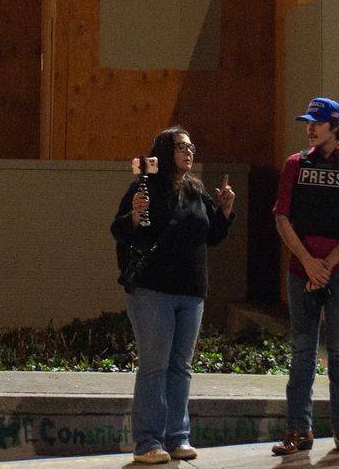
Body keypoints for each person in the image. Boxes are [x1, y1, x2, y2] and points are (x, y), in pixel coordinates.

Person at [110, 126, 237, 464]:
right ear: (165, 151)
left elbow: (213, 236)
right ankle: (148, 442)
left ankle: (177, 438)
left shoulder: (195, 191)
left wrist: (224, 210)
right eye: (181, 146)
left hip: (191, 292)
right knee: (155, 366)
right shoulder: (145, 187)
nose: (189, 151)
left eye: (191, 146)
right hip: (153, 291)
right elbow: (118, 230)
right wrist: (135, 215)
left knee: (181, 367)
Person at [271, 98, 339, 456]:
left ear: (336, 126)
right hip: (301, 272)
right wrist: (308, 263)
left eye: (317, 122)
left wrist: (327, 264)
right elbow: (282, 217)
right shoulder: (294, 165)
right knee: (301, 351)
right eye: (308, 122)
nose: (310, 128)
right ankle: (298, 430)